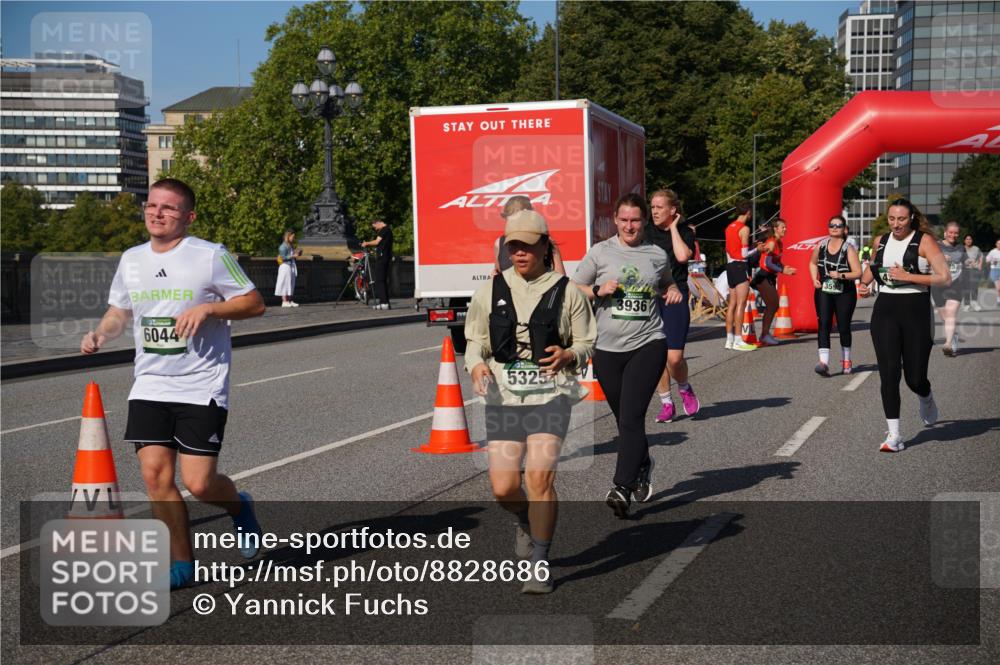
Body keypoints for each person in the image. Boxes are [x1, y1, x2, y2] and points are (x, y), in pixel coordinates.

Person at [80, 178, 266, 589]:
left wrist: (210, 309)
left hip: (201, 385)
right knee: (155, 478)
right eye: (151, 205)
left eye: (168, 208)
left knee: (199, 484)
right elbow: (119, 311)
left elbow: (255, 303)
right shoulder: (131, 259)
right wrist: (100, 333)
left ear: (189, 217)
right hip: (149, 384)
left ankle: (239, 507)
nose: (157, 213)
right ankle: (182, 564)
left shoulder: (210, 255)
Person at [464, 209, 596, 594]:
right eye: (513, 246)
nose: (520, 253)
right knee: (504, 488)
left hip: (550, 397)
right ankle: (523, 518)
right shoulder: (490, 290)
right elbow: (475, 343)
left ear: (544, 246)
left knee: (539, 478)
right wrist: (475, 368)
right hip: (503, 397)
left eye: (527, 245)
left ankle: (539, 560)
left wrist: (569, 356)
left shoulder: (566, 290)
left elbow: (587, 342)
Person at [573, 193, 684, 519]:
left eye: (636, 220)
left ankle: (621, 486)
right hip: (606, 349)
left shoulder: (656, 253)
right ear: (615, 221)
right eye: (624, 220)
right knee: (625, 421)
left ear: (644, 222)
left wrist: (673, 290)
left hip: (648, 343)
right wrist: (596, 291)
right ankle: (644, 462)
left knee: (632, 417)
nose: (630, 225)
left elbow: (667, 283)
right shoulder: (600, 252)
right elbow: (573, 286)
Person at [857, 198, 951, 453]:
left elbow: (944, 277)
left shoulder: (924, 241)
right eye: (891, 219)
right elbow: (873, 269)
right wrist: (864, 285)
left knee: (915, 377)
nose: (895, 224)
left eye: (901, 219)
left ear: (911, 219)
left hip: (916, 311)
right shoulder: (881, 241)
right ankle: (894, 435)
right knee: (888, 374)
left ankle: (925, 395)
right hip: (885, 311)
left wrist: (908, 276)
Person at [645, 189, 700, 422]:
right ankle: (667, 403)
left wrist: (675, 228)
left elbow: (681, 257)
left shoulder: (685, 231)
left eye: (659, 207)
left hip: (676, 296)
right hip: (649, 298)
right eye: (653, 206)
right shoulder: (645, 231)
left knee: (674, 358)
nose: (655, 211)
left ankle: (685, 388)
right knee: (657, 357)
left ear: (672, 210)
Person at [808, 215, 863, 375]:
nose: (834, 227)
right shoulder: (821, 246)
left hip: (844, 291)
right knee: (824, 323)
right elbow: (812, 263)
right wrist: (814, 279)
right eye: (832, 225)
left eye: (838, 225)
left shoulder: (848, 248)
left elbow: (858, 272)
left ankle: (846, 359)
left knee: (843, 326)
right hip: (824, 289)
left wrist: (841, 275)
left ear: (844, 229)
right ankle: (823, 362)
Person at [750, 219, 797, 346]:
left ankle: (765, 334)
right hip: (763, 277)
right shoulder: (772, 242)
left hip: (769, 277)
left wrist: (784, 267)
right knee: (773, 305)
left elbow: (775, 261)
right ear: (776, 229)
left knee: (773, 305)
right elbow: (767, 263)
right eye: (783, 227)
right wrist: (782, 270)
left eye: (786, 227)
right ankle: (764, 335)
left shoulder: (779, 243)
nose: (785, 229)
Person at [494, 196, 565, 276]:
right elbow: (498, 271)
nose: (514, 225)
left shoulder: (545, 241)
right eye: (510, 221)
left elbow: (561, 279)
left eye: (518, 220)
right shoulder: (499, 243)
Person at [723, 201, 757, 351]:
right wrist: (757, 249)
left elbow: (729, 249)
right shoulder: (745, 229)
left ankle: (729, 340)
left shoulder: (729, 227)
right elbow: (744, 254)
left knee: (732, 304)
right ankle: (738, 339)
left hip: (730, 266)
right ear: (748, 212)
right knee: (741, 304)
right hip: (740, 265)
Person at [933, 221, 967, 356]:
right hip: (938, 284)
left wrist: (969, 262)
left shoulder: (960, 248)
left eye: (956, 233)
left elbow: (964, 262)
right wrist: (940, 258)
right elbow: (928, 260)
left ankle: (947, 344)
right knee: (944, 316)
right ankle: (953, 335)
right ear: (945, 233)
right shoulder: (936, 246)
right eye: (951, 232)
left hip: (956, 283)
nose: (953, 235)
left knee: (951, 313)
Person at [361, 219, 392, 309]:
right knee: (382, 280)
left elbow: (377, 241)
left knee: (379, 280)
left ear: (378, 223)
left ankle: (384, 302)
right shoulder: (388, 230)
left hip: (382, 258)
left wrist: (366, 243)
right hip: (385, 257)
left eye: (375, 227)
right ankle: (385, 302)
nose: (375, 229)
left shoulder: (384, 230)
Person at [274, 229, 302, 307]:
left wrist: (297, 253)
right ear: (288, 236)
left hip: (291, 265)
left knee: (290, 283)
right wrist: (293, 256)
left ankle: (289, 300)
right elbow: (283, 257)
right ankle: (284, 301)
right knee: (284, 283)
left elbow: (291, 256)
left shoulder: (290, 245)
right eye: (293, 237)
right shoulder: (283, 246)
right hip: (285, 266)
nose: (294, 238)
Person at [961, 234, 983, 312]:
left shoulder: (976, 248)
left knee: (974, 287)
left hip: (974, 270)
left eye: (970, 239)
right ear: (964, 240)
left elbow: (981, 256)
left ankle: (974, 303)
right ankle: (967, 305)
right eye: (967, 239)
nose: (968, 240)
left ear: (972, 240)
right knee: (966, 288)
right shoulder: (961, 249)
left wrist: (980, 265)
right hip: (964, 270)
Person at [988, 239, 1000, 305]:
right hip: (994, 270)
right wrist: (993, 260)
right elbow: (987, 260)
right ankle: (998, 300)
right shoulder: (992, 251)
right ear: (996, 244)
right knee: (998, 288)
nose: (999, 245)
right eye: (998, 243)